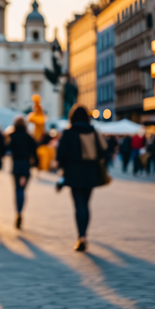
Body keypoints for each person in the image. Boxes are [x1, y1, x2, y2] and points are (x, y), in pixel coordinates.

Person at [56, 104, 107, 251]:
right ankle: (85, 234)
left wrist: (64, 168)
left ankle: (81, 237)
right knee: (86, 204)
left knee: (78, 205)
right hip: (91, 171)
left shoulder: (68, 132)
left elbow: (60, 154)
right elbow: (104, 151)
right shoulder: (94, 131)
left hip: (74, 172)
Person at [5, 116, 38, 229]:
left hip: (16, 165)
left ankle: (17, 212)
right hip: (25, 166)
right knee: (22, 190)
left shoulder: (12, 136)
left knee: (17, 190)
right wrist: (35, 165)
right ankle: (20, 212)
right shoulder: (29, 137)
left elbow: (8, 149)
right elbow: (35, 151)